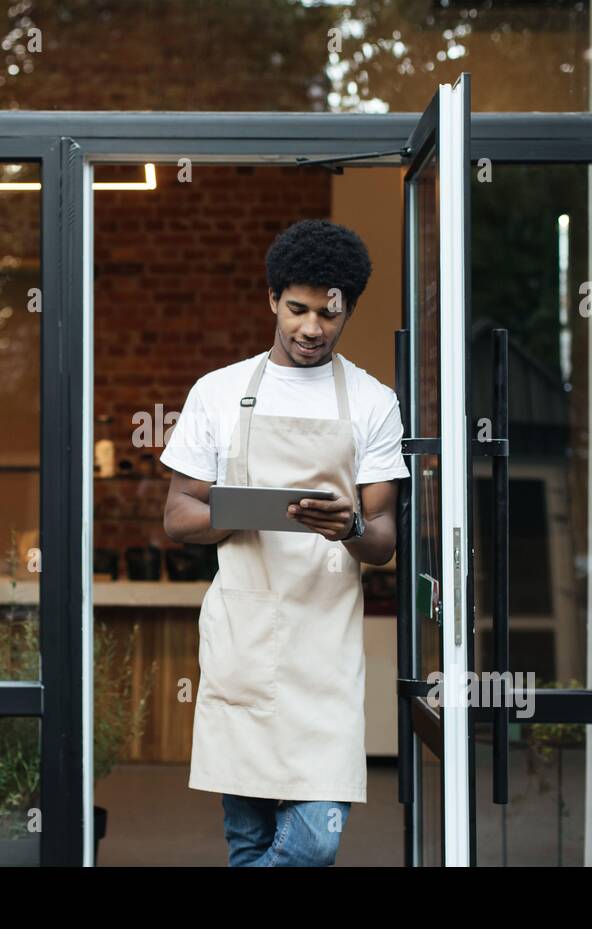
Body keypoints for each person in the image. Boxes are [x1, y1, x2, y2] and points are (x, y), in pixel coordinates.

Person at [160, 218, 410, 866]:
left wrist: (349, 525)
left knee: (314, 844)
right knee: (248, 842)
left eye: (328, 313)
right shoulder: (217, 393)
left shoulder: (372, 402)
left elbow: (383, 540)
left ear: (346, 309)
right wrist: (241, 512)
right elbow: (179, 516)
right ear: (273, 299)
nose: (311, 327)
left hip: (325, 649)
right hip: (243, 639)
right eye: (296, 308)